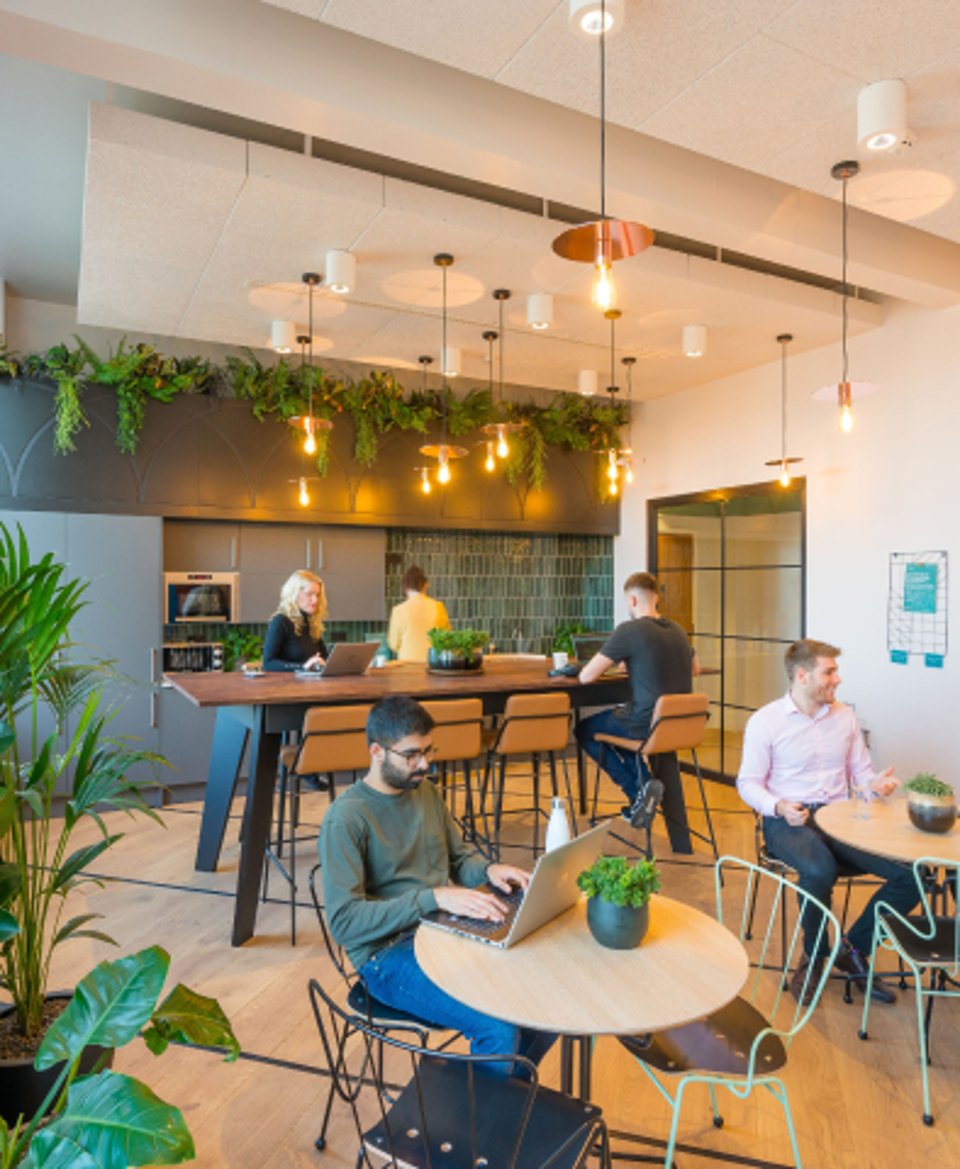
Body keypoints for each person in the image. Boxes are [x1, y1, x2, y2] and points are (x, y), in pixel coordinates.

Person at [318, 695, 555, 1075]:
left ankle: (505, 1103)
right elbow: (345, 922)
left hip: (441, 929)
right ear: (376, 751)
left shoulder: (425, 792)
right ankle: (482, 1123)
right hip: (386, 956)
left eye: (428, 751)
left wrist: (489, 871)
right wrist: (432, 897)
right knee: (499, 1027)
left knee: (544, 995)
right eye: (411, 755)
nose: (425, 764)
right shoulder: (346, 819)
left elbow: (460, 860)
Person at [737, 638, 920, 1004]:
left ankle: (852, 950)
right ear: (802, 675)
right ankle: (814, 956)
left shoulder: (845, 716)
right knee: (820, 870)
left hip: (840, 817)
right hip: (787, 821)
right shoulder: (766, 722)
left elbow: (861, 772)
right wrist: (778, 806)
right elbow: (748, 783)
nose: (837, 679)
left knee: (911, 873)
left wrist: (875, 785)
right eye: (830, 671)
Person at [576, 571, 698, 830]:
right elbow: (694, 668)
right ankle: (644, 792)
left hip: (645, 723)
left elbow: (586, 677)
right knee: (616, 731)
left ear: (632, 600)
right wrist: (640, 664)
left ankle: (637, 792)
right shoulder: (677, 630)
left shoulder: (629, 631)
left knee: (585, 729)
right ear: (656, 598)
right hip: (675, 726)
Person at [263, 569, 329, 672]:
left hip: (309, 685)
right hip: (286, 686)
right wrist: (303, 666)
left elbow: (324, 656)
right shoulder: (281, 621)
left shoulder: (311, 622)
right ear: (294, 595)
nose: (315, 600)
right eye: (309, 594)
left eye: (317, 595)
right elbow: (268, 663)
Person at [387, 565, 450, 662]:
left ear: (405, 588)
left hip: (406, 665)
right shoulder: (438, 607)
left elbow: (393, 644)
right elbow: (446, 638)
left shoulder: (398, 610)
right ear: (426, 584)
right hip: (433, 663)